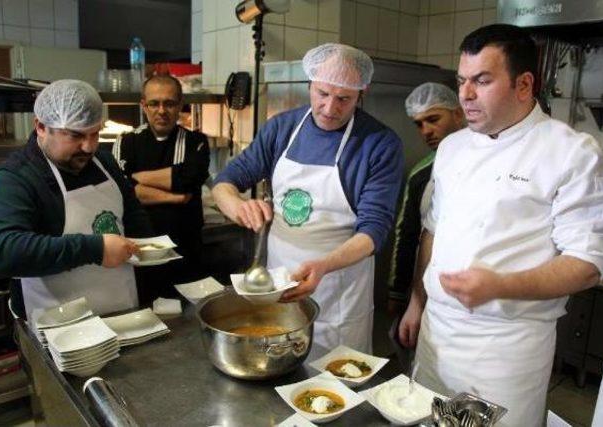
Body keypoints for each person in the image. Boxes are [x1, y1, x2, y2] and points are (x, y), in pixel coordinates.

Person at [397, 24, 603, 425]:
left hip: (504, 350)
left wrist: (499, 285)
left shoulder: (570, 153)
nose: (465, 94)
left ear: (524, 84)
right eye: (462, 80)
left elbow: (587, 263)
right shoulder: (453, 147)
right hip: (436, 336)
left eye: (482, 80)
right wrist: (417, 301)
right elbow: (434, 230)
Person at [212, 43, 404, 353]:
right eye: (322, 94)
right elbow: (225, 182)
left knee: (335, 384)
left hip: (339, 290)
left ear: (361, 92)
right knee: (280, 365)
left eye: (344, 99)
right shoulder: (282, 128)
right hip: (279, 283)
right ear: (310, 84)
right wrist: (237, 206)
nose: (330, 109)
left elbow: (375, 231)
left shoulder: (379, 144)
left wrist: (324, 266)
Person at [0, 80, 154, 321]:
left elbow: (133, 216)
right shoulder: (16, 177)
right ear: (41, 126)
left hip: (122, 313)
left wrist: (149, 248)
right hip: (58, 328)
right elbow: (5, 252)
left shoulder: (105, 163)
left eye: (95, 133)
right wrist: (95, 249)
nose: (89, 146)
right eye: (75, 136)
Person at [112, 75, 210, 306]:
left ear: (180, 105)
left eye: (170, 103)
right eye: (154, 103)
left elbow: (189, 179)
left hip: (186, 253)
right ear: (143, 105)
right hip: (140, 255)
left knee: (190, 323)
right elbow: (123, 190)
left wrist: (137, 179)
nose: (162, 110)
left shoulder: (196, 141)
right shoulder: (126, 142)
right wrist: (175, 197)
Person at [387, 83, 464, 314]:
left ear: (458, 114)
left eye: (433, 119)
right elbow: (407, 234)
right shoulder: (421, 174)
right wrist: (398, 292)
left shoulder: (488, 162)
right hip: (426, 286)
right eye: (419, 124)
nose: (426, 131)